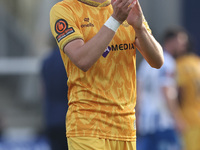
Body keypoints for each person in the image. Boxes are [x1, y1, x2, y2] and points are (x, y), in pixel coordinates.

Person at [49, 0, 164, 149]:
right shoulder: (64, 9)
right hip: (88, 125)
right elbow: (82, 59)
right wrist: (115, 20)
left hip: (125, 127)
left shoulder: (123, 6)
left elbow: (157, 61)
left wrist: (140, 27)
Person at [136, 27, 186, 150]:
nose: (183, 46)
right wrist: (177, 118)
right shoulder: (168, 62)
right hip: (162, 121)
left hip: (146, 122)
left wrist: (137, 115)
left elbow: (138, 89)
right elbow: (167, 90)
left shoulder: (145, 63)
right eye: (181, 42)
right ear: (172, 41)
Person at [175, 30, 200, 150]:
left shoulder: (180, 65)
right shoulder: (197, 62)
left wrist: (175, 116)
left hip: (187, 119)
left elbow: (180, 93)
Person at [41, 44, 68, 150]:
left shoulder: (46, 61)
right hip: (70, 118)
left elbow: (42, 91)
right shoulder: (71, 61)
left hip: (51, 118)